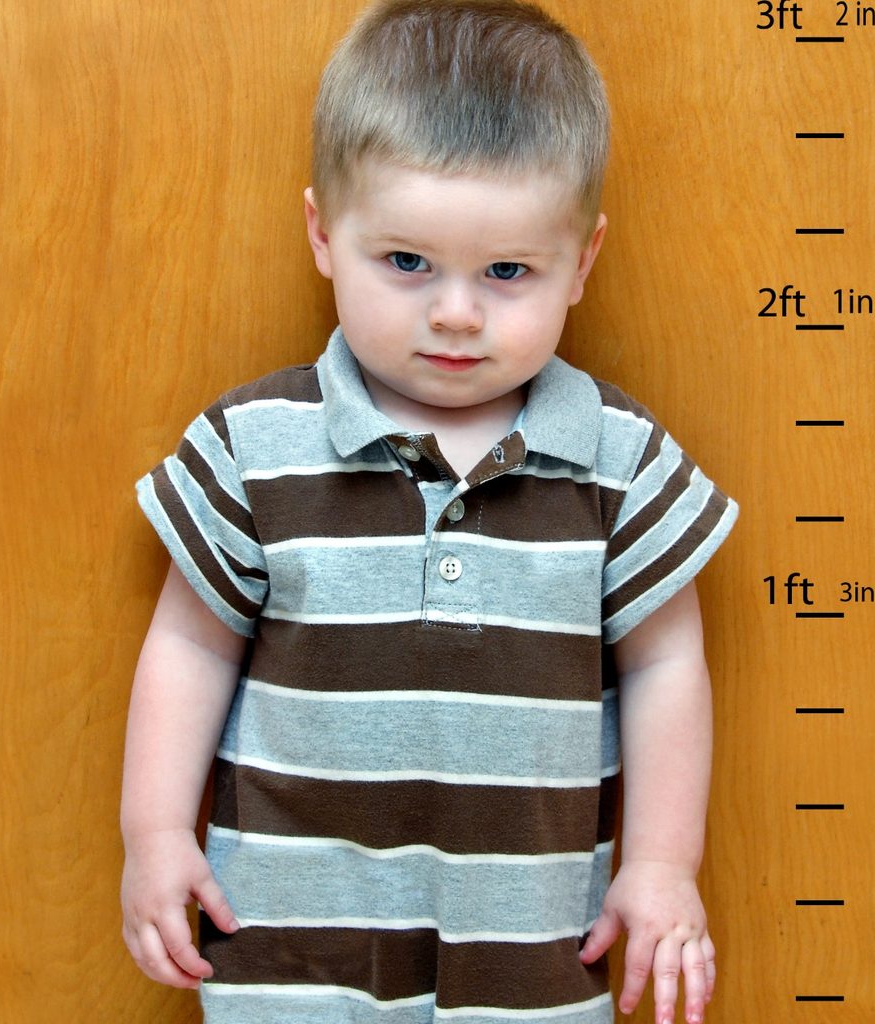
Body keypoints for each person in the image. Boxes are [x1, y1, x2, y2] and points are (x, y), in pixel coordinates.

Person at [120, 2, 738, 1023]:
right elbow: (188, 648)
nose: (455, 313)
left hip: (530, 959)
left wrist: (664, 863)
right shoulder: (254, 444)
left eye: (506, 271)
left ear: (580, 262)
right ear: (323, 233)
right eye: (406, 261)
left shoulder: (620, 464)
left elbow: (667, 665)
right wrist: (153, 835)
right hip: (285, 949)